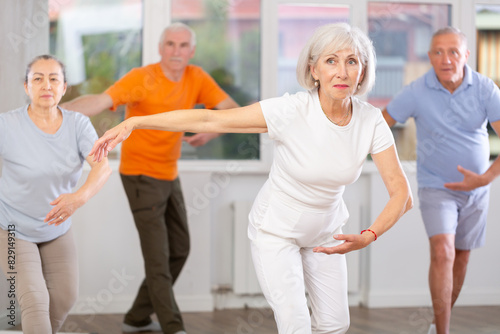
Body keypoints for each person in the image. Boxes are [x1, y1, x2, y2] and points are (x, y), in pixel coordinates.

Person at [89, 23, 413, 334]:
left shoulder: (370, 121)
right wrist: (137, 123)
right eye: (331, 61)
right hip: (276, 232)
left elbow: (401, 194)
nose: (342, 71)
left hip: (325, 234)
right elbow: (207, 119)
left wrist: (369, 235)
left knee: (334, 324)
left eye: (351, 61)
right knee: (296, 324)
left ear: (363, 71)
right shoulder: (291, 111)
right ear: (314, 70)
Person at [61, 22, 239, 334]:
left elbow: (232, 111)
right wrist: (56, 110)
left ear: (192, 51)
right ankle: (174, 327)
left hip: (169, 175)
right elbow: (100, 101)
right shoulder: (142, 78)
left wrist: (210, 133)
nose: (176, 51)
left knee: (180, 249)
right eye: (170, 44)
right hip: (141, 177)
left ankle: (136, 317)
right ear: (160, 48)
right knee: (158, 257)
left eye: (183, 46)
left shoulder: (196, 77)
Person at [382, 27, 500, 334]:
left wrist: (485, 178)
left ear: (465, 55)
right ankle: (444, 332)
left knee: (460, 259)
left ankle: (437, 325)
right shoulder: (416, 91)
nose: (445, 59)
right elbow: (381, 125)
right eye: (437, 52)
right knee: (443, 251)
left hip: (477, 190)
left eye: (452, 51)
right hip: (436, 187)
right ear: (430, 56)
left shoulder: (485, 89)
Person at [0, 55, 111, 333]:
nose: (46, 85)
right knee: (35, 301)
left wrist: (78, 198)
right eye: (37, 78)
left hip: (56, 227)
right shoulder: (7, 125)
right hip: (12, 227)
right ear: (26, 87)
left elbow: (102, 167)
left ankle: (21, 328)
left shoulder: (78, 125)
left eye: (54, 79)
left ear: (64, 88)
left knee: (63, 298)